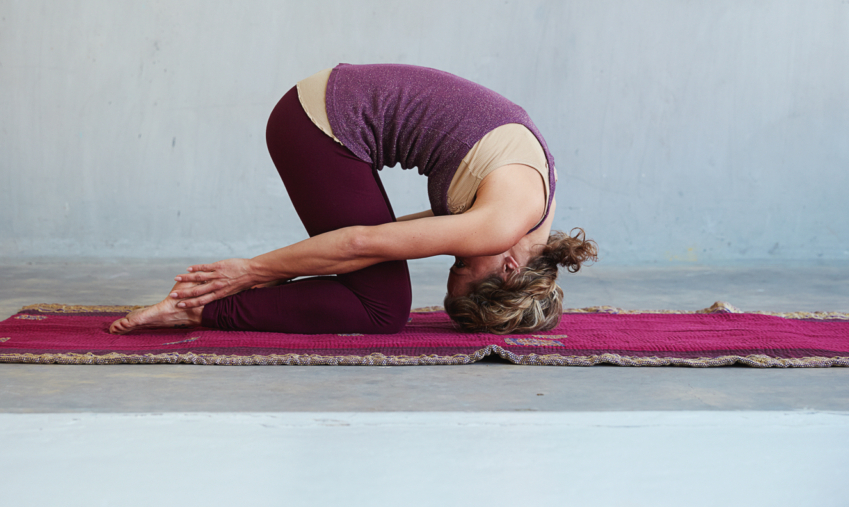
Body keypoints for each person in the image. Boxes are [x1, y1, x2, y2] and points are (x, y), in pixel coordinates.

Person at [110, 63, 596, 336]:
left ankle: (235, 300)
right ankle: (199, 309)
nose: (454, 258)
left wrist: (295, 267)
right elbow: (363, 241)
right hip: (319, 126)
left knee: (376, 281)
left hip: (320, 110)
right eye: (460, 270)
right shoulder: (499, 226)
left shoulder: (531, 212)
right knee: (384, 309)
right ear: (509, 268)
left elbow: (386, 239)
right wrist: (254, 270)